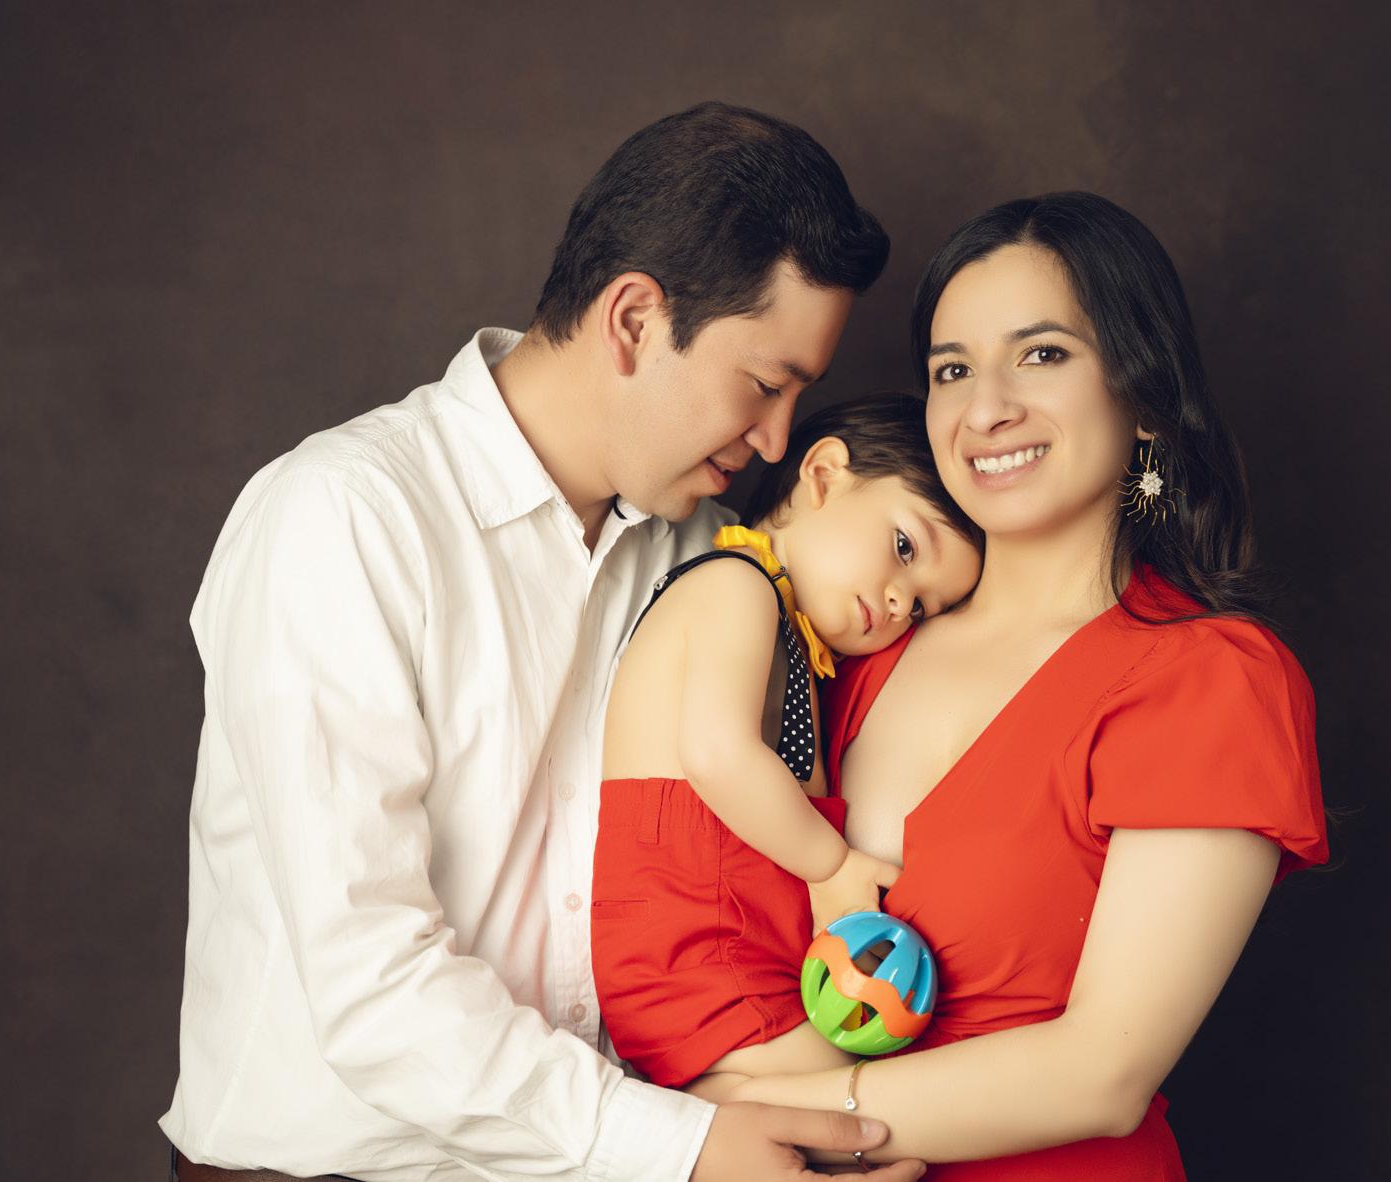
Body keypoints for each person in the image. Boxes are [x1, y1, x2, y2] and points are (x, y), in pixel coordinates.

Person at [159, 102, 928, 1182]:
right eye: (763, 386)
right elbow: (370, 980)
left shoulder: (713, 558)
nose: (773, 440)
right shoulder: (341, 518)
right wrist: (679, 1148)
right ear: (633, 319)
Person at [721, 192, 1330, 1179]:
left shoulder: (1211, 678)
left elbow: (1101, 1073)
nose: (985, 408)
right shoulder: (855, 644)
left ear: (1142, 396)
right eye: (951, 369)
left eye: (1041, 354)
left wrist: (719, 1125)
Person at [592, 396, 983, 1094]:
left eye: (924, 606)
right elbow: (718, 755)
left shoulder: (795, 643)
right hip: (693, 954)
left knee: (852, 1103)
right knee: (879, 1105)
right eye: (904, 548)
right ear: (823, 476)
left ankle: (722, 1104)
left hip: (740, 956)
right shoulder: (735, 585)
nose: (902, 602)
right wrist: (833, 866)